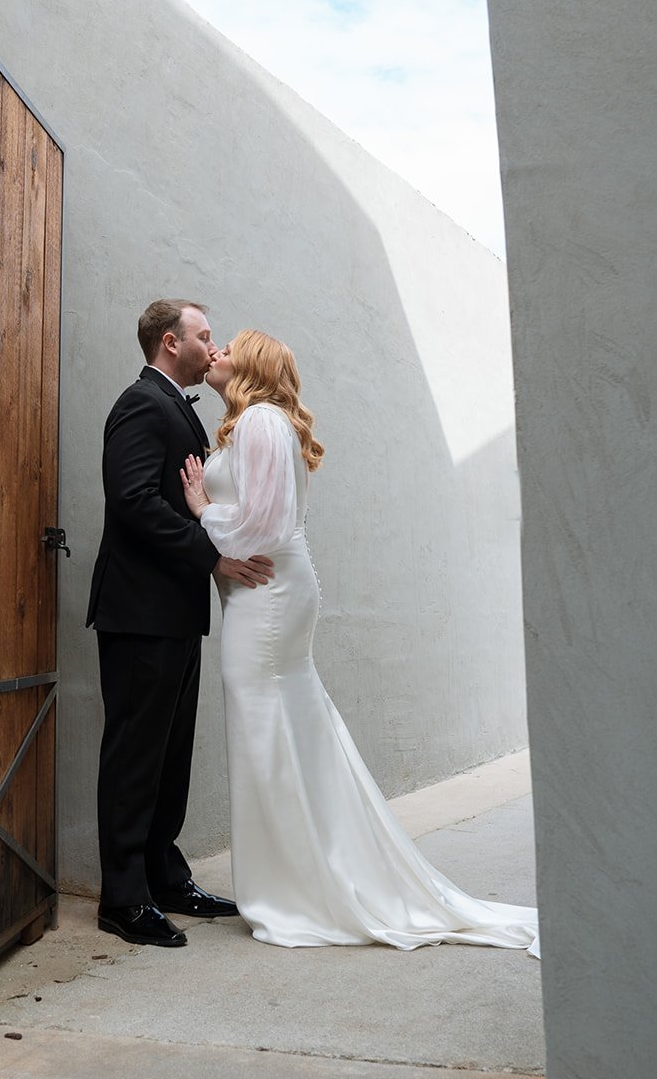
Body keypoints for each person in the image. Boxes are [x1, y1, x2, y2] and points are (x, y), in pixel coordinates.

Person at [180, 329, 540, 956]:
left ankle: (294, 890)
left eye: (229, 348)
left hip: (266, 596)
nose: (217, 353)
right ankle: (301, 875)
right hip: (267, 591)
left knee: (265, 732)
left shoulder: (261, 420)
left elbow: (266, 525)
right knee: (283, 730)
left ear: (253, 366)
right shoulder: (257, 424)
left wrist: (201, 509)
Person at [87, 299, 274, 948]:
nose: (211, 346)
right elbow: (132, 499)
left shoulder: (174, 406)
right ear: (170, 342)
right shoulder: (142, 403)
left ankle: (164, 877)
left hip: (173, 611)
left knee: (169, 757)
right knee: (135, 756)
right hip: (139, 612)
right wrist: (211, 555)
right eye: (203, 335)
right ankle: (123, 898)